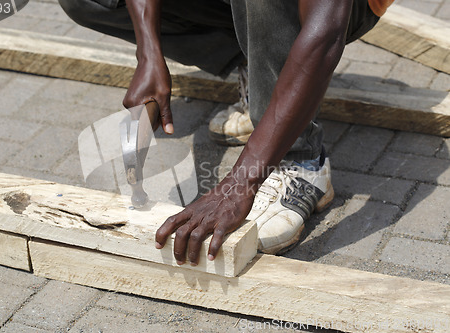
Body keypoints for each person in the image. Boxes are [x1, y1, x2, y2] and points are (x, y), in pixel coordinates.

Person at [60, 0, 393, 266]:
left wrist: (241, 182)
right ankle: (265, 73)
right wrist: (148, 54)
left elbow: (325, 35)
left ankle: (301, 160)